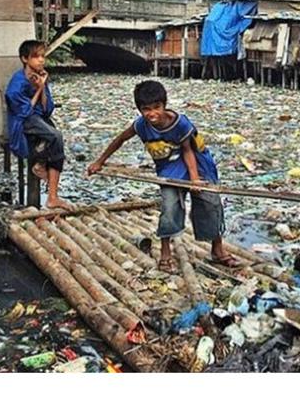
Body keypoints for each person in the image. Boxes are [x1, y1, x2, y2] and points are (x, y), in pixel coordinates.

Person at [87, 80, 238, 271]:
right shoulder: (141, 125)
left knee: (209, 202)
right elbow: (120, 139)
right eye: (146, 109)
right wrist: (100, 161)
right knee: (169, 205)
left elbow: (188, 150)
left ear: (164, 105)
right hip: (169, 166)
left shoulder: (180, 123)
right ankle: (166, 252)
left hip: (197, 163)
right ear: (140, 109)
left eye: (156, 107)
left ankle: (217, 249)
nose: (152, 113)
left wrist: (194, 179)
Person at [5, 40, 73, 210]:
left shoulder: (41, 76)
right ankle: (51, 192)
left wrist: (42, 87)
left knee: (55, 136)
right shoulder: (17, 82)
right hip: (24, 121)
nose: (41, 60)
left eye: (43, 56)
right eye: (36, 57)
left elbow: (47, 109)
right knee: (56, 136)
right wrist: (37, 90)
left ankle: (50, 191)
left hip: (37, 118)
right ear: (24, 59)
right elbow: (24, 112)